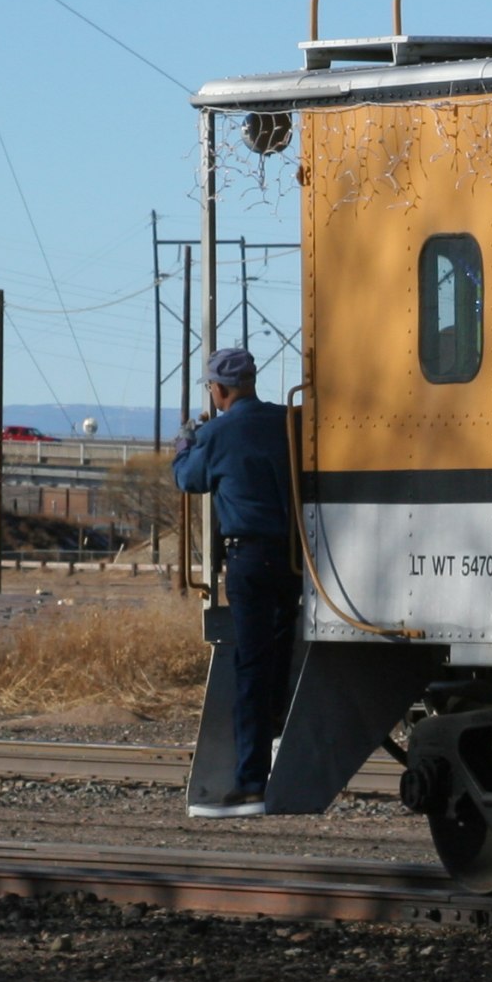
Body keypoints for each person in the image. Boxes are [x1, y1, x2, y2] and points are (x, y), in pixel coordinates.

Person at [172, 347, 299, 816]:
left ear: (219, 389)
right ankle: (284, 742)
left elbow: (189, 478)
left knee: (251, 665)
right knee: (283, 656)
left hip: (248, 559)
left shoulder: (219, 432)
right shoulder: (288, 420)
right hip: (294, 557)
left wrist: (188, 439)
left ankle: (250, 782)